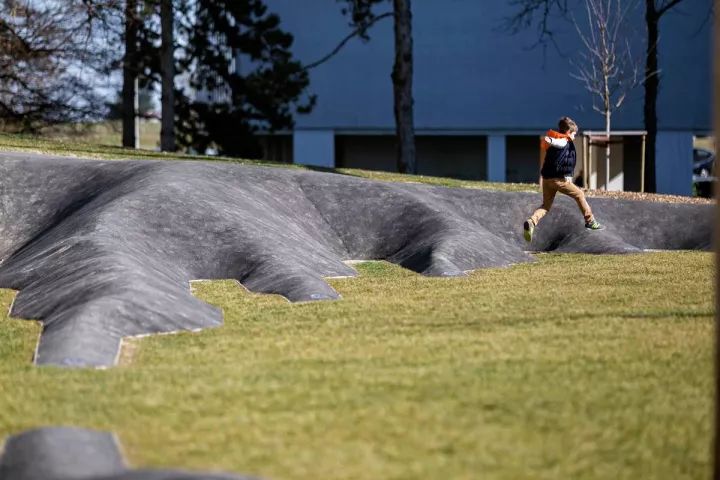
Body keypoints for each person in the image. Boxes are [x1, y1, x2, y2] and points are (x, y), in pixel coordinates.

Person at [523, 116, 603, 242]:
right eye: (574, 134)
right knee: (580, 194)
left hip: (547, 180)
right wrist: (549, 139)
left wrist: (569, 177)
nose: (574, 137)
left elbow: (565, 161)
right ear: (568, 133)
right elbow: (556, 142)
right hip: (558, 180)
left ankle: (531, 221)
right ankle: (590, 221)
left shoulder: (564, 143)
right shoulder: (563, 141)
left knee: (545, 206)